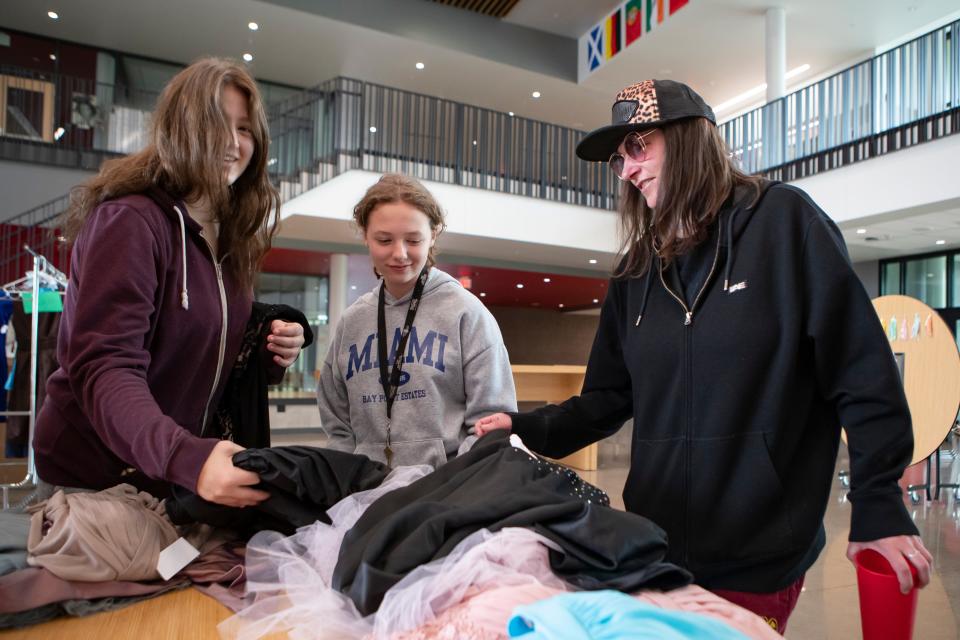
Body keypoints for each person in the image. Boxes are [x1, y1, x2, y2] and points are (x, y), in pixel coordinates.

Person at [475, 79, 932, 632]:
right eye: (618, 159)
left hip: (760, 553)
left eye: (638, 147)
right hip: (653, 548)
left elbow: (860, 372)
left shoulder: (784, 223)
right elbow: (605, 400)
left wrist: (877, 500)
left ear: (689, 138)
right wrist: (525, 426)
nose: (626, 170)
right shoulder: (635, 270)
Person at [34, 58, 305, 508]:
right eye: (215, 123)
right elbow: (105, 367)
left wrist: (265, 349)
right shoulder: (131, 221)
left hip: (166, 477)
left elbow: (197, 343)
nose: (231, 143)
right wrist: (185, 456)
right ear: (180, 128)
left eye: (243, 129)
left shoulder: (230, 237)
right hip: (95, 476)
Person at [317, 174, 516, 468]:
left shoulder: (466, 313)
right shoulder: (352, 321)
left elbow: (491, 424)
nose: (399, 254)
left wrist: (450, 486)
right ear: (365, 236)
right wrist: (348, 477)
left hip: (443, 493)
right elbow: (337, 422)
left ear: (433, 234)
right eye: (384, 240)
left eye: (413, 240)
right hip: (364, 491)